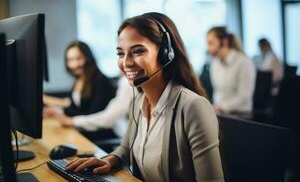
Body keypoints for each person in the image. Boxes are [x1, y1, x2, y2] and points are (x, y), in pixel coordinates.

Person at [66, 12, 224, 182]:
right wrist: (110, 160)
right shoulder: (138, 101)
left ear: (166, 54)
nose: (126, 62)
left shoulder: (193, 107)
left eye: (138, 51)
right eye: (120, 53)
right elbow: (126, 147)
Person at [43, 40, 115, 121]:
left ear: (88, 57)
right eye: (70, 60)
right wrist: (56, 112)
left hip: (100, 131)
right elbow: (75, 107)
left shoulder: (100, 80)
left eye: (79, 58)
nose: (74, 64)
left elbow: (92, 116)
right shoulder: (79, 79)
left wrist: (60, 113)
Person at [47, 76, 131, 138]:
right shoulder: (78, 79)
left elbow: (106, 118)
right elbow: (74, 105)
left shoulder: (126, 82)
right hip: (92, 128)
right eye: (121, 55)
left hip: (102, 133)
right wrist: (59, 112)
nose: (74, 64)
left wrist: (72, 121)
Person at [207, 26, 256, 117]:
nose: (208, 48)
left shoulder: (244, 62)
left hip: (240, 115)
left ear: (224, 42)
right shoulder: (214, 63)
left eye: (211, 43)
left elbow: (244, 96)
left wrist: (220, 107)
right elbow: (217, 92)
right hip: (220, 113)